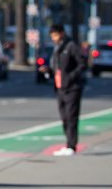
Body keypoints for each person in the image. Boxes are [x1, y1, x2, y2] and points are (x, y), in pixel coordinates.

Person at [39, 24, 87, 156]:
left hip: (72, 88)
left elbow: (82, 64)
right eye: (52, 36)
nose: (53, 38)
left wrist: (70, 77)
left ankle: (71, 145)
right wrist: (48, 70)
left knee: (71, 117)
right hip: (60, 87)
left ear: (62, 33)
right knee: (64, 117)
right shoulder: (57, 48)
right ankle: (68, 144)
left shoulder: (71, 46)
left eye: (55, 35)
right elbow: (56, 67)